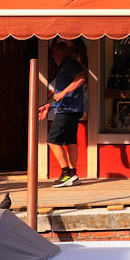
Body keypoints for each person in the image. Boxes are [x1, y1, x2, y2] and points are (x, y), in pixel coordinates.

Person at [38, 41, 87, 187]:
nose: (53, 56)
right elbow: (58, 94)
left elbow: (81, 78)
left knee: (52, 141)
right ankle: (73, 174)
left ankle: (65, 175)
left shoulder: (70, 64)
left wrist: (64, 92)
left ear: (62, 51)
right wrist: (48, 105)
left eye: (54, 52)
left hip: (67, 110)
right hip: (70, 109)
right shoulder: (64, 67)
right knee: (70, 142)